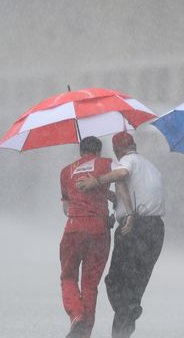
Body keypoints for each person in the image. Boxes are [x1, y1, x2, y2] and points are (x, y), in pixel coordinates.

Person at [77, 131, 165, 338]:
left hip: (134, 228)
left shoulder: (126, 161)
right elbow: (136, 194)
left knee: (114, 281)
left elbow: (122, 174)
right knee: (134, 288)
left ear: (117, 150)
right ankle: (123, 328)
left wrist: (96, 181)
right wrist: (112, 199)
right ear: (134, 144)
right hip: (156, 230)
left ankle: (127, 311)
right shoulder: (151, 166)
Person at [58, 136, 115, 338]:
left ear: (81, 151)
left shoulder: (66, 171)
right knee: (90, 285)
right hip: (100, 229)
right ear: (99, 151)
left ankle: (77, 317)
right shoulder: (107, 164)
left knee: (68, 275)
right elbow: (121, 181)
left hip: (74, 228)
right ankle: (85, 333)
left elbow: (66, 208)